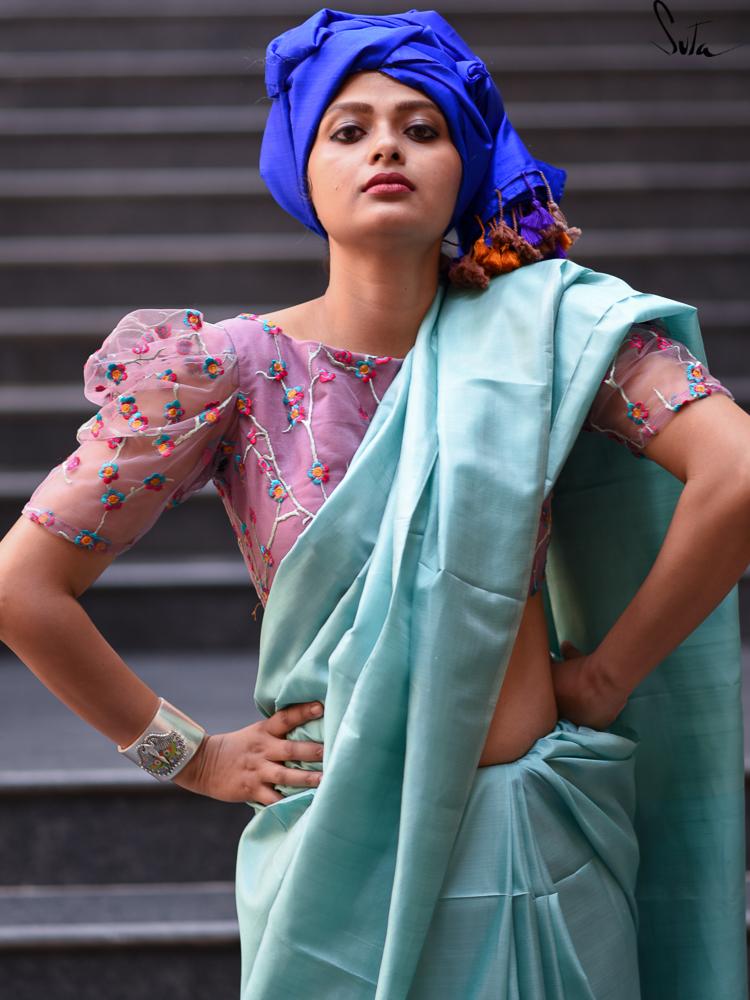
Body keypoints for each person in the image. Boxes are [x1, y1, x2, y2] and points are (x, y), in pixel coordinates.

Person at [0, 8, 748, 999]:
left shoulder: (551, 334)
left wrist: (607, 679)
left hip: (531, 847)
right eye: (347, 130)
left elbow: (735, 472)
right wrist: (189, 756)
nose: (386, 145)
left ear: (465, 165)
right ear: (300, 170)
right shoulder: (229, 370)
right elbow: (25, 583)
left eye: (422, 127)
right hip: (332, 867)